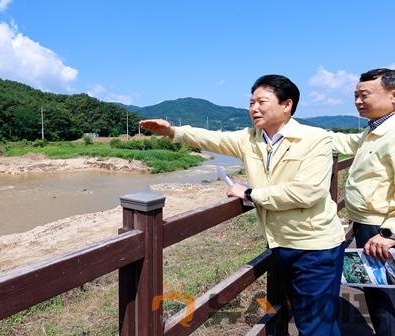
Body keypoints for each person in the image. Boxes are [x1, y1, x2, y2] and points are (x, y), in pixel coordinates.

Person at [140, 74, 345, 335]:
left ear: (287, 104)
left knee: (317, 326)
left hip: (315, 247)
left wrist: (249, 192)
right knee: (307, 318)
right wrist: (172, 131)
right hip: (280, 244)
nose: (254, 108)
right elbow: (211, 138)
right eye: (251, 102)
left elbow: (306, 193)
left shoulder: (315, 139)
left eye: (262, 101)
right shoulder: (250, 139)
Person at [330, 68, 395, 336]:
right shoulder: (375, 129)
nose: (358, 101)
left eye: (365, 95)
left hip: (380, 230)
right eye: (355, 95)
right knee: (377, 295)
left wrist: (389, 233)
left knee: (386, 302)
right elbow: (345, 140)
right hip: (368, 226)